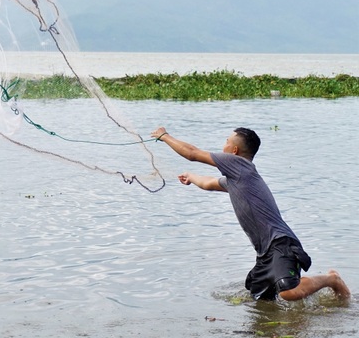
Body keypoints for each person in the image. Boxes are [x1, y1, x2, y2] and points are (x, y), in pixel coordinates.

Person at [150, 126, 350, 302]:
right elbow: (208, 184)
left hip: (280, 242)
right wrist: (191, 177)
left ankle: (331, 279)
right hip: (265, 251)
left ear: (234, 151)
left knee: (288, 293)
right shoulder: (238, 179)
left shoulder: (239, 165)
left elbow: (192, 153)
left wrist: (164, 136)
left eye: (226, 142)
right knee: (262, 302)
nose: (223, 146)